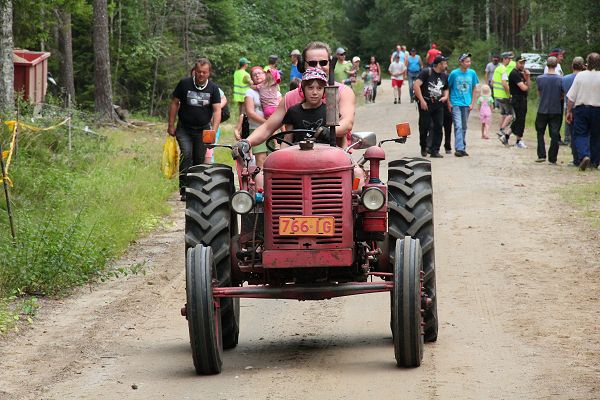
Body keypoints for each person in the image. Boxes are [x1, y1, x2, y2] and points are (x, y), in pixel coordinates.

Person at [232, 41, 356, 159]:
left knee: (358, 175)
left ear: (330, 64)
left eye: (323, 63)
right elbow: (268, 128)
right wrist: (247, 142)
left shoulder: (342, 92)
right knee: (261, 178)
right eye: (312, 63)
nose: (318, 67)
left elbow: (347, 123)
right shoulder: (289, 98)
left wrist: (328, 131)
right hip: (297, 159)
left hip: (336, 159)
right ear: (303, 65)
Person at [167, 58, 221, 201]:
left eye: (204, 72)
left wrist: (213, 131)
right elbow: (174, 103)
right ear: (194, 71)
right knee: (187, 154)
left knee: (198, 159)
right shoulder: (184, 84)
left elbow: (217, 111)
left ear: (209, 73)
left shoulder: (213, 88)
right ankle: (184, 189)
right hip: (184, 128)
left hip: (203, 129)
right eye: (198, 72)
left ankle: (196, 189)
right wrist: (171, 124)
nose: (201, 75)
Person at [566, 52, 600, 171]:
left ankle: (584, 156)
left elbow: (572, 97)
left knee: (580, 134)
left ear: (587, 63)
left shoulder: (580, 76)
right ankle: (595, 162)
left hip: (582, 108)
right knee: (596, 136)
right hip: (598, 109)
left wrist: (569, 111)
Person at [413, 55, 449, 158]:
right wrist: (422, 100)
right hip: (426, 104)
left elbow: (446, 88)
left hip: (438, 104)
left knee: (438, 127)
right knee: (424, 127)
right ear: (439, 64)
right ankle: (423, 147)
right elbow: (416, 85)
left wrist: (445, 96)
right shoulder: (426, 72)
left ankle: (435, 150)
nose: (446, 65)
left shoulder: (444, 75)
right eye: (444, 63)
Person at [282, 67, 329, 142]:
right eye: (310, 88)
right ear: (303, 89)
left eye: (319, 88)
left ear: (324, 90)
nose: (315, 92)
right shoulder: (293, 112)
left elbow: (341, 139)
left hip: (326, 153)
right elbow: (287, 140)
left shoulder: (330, 111)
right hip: (298, 152)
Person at [448, 53, 479, 157]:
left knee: (464, 126)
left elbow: (474, 88)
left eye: (469, 61)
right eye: (466, 61)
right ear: (461, 62)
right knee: (458, 125)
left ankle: (461, 147)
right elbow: (448, 87)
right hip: (456, 102)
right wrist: (449, 102)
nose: (468, 63)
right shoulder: (454, 74)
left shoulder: (472, 73)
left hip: (467, 103)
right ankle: (459, 148)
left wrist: (472, 103)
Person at [534, 56, 564, 164]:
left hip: (542, 109)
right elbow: (562, 95)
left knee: (540, 132)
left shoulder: (540, 79)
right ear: (556, 66)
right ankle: (553, 158)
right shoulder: (561, 79)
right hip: (556, 109)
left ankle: (541, 154)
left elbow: (539, 94)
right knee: (555, 134)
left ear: (547, 65)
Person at [562, 56, 585, 164]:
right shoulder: (585, 78)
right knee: (585, 133)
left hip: (569, 108)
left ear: (572, 65)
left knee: (573, 134)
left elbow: (563, 95)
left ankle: (576, 158)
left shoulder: (565, 79)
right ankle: (585, 155)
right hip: (583, 107)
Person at [507, 55, 532, 148]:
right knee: (520, 120)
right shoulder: (514, 74)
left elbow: (529, 86)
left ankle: (506, 136)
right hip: (517, 99)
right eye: (520, 63)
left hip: (522, 99)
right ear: (516, 63)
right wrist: (526, 84)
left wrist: (528, 77)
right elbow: (524, 88)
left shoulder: (521, 73)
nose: (522, 65)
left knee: (518, 119)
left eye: (523, 63)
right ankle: (518, 140)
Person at [494, 52, 514, 144]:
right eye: (509, 59)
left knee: (503, 114)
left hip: (497, 95)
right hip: (504, 95)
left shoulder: (497, 68)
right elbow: (504, 83)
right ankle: (501, 130)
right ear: (505, 59)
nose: (510, 61)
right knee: (510, 114)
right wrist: (509, 93)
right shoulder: (503, 69)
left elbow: (493, 81)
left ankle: (500, 129)